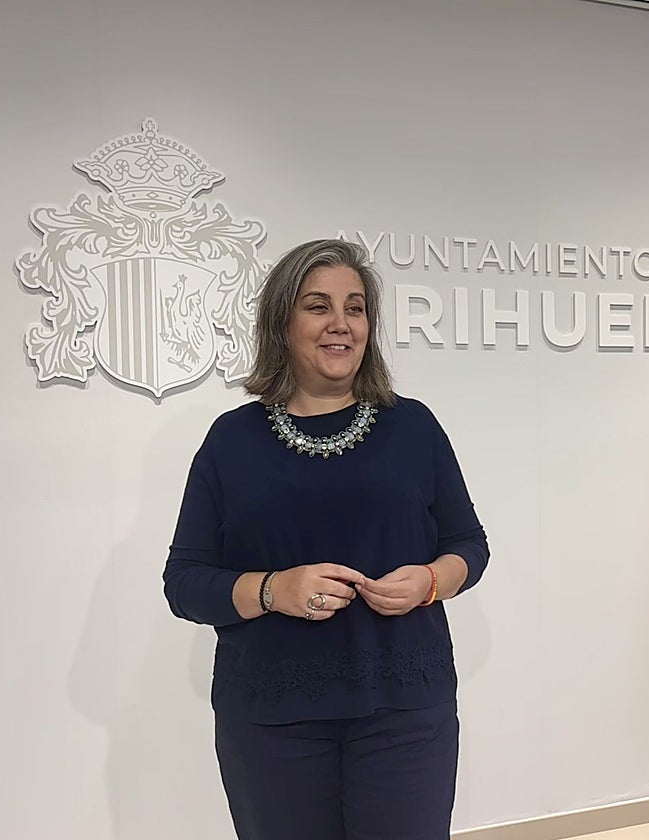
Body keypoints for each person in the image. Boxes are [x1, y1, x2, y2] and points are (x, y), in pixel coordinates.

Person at [163, 238, 489, 840]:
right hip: (270, 720)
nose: (341, 324)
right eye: (318, 306)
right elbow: (184, 582)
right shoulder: (232, 441)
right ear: (282, 323)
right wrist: (271, 590)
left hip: (404, 709)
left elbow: (469, 544)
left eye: (356, 307)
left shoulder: (412, 426)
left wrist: (430, 580)